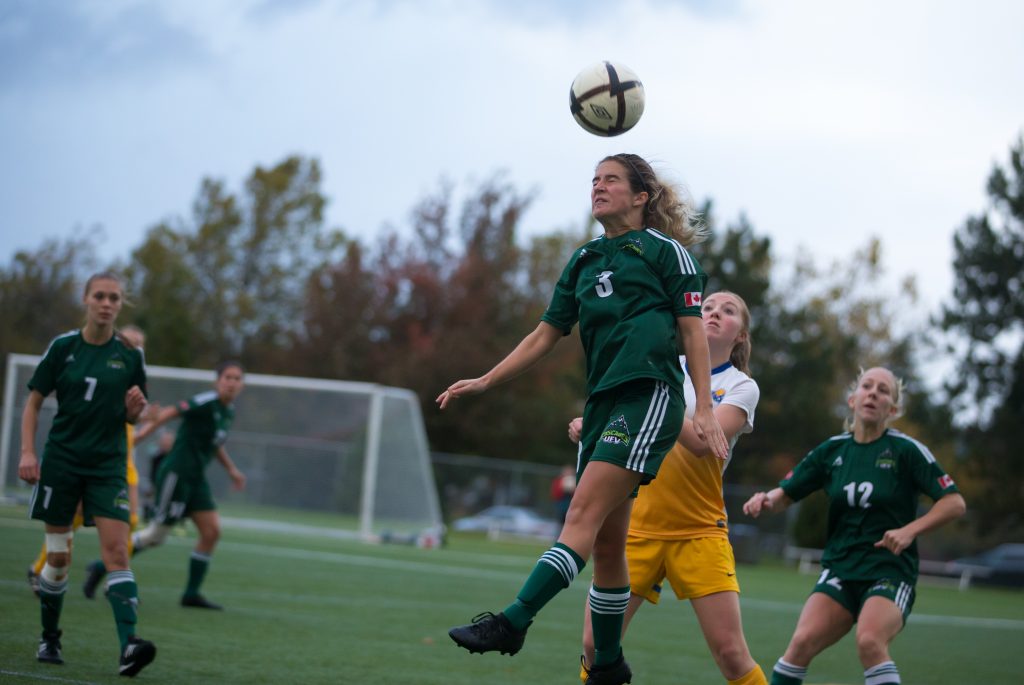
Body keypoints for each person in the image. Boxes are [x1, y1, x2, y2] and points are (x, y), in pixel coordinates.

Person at [439, 153, 729, 685]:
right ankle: (610, 665)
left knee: (580, 517)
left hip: (647, 397)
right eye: (594, 180)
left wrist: (706, 407)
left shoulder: (668, 254)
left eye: (611, 180)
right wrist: (484, 379)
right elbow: (544, 335)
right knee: (605, 545)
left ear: (641, 196)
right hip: (601, 404)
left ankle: (513, 621)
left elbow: (692, 334)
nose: (597, 187)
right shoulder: (583, 259)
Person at [574, 290, 768, 685]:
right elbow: (620, 416)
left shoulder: (741, 387)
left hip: (699, 532)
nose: (714, 313)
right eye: (707, 307)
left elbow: (702, 443)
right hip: (636, 526)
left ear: (741, 336)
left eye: (728, 311)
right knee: (595, 645)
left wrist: (656, 394)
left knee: (732, 654)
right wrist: (589, 427)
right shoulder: (662, 366)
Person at [742, 367, 967, 685]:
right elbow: (785, 494)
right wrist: (766, 499)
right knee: (800, 644)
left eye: (884, 390)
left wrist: (909, 530)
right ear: (852, 399)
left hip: (889, 570)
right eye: (867, 386)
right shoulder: (832, 451)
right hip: (840, 569)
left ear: (893, 409)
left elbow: (954, 502)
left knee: (870, 642)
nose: (874, 393)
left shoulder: (906, 451)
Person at [17, 272, 157, 677]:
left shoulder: (131, 354)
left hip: (108, 466)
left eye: (114, 297)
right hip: (62, 463)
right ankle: (50, 636)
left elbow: (135, 413)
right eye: (100, 295)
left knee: (117, 552)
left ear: (121, 303)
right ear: (85, 299)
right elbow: (33, 403)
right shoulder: (63, 348)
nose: (107, 303)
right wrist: (28, 452)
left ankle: (129, 646)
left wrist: (135, 410)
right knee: (58, 557)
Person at [84, 361, 248, 609]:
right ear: (218, 381)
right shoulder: (205, 402)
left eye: (237, 378)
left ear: (242, 384)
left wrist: (232, 470)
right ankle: (99, 567)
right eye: (228, 377)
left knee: (212, 531)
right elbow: (170, 412)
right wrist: (141, 435)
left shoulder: (228, 411)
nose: (232, 382)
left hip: (196, 480)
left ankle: (191, 594)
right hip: (176, 475)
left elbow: (215, 444)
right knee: (156, 535)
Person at [25, 325, 150, 599]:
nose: (134, 346)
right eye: (131, 341)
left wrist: (141, 419)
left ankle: (112, 579)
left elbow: (132, 425)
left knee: (131, 520)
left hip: (123, 466)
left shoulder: (132, 378)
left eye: (140, 344)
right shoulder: (104, 373)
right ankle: (40, 568)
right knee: (73, 520)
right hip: (96, 462)